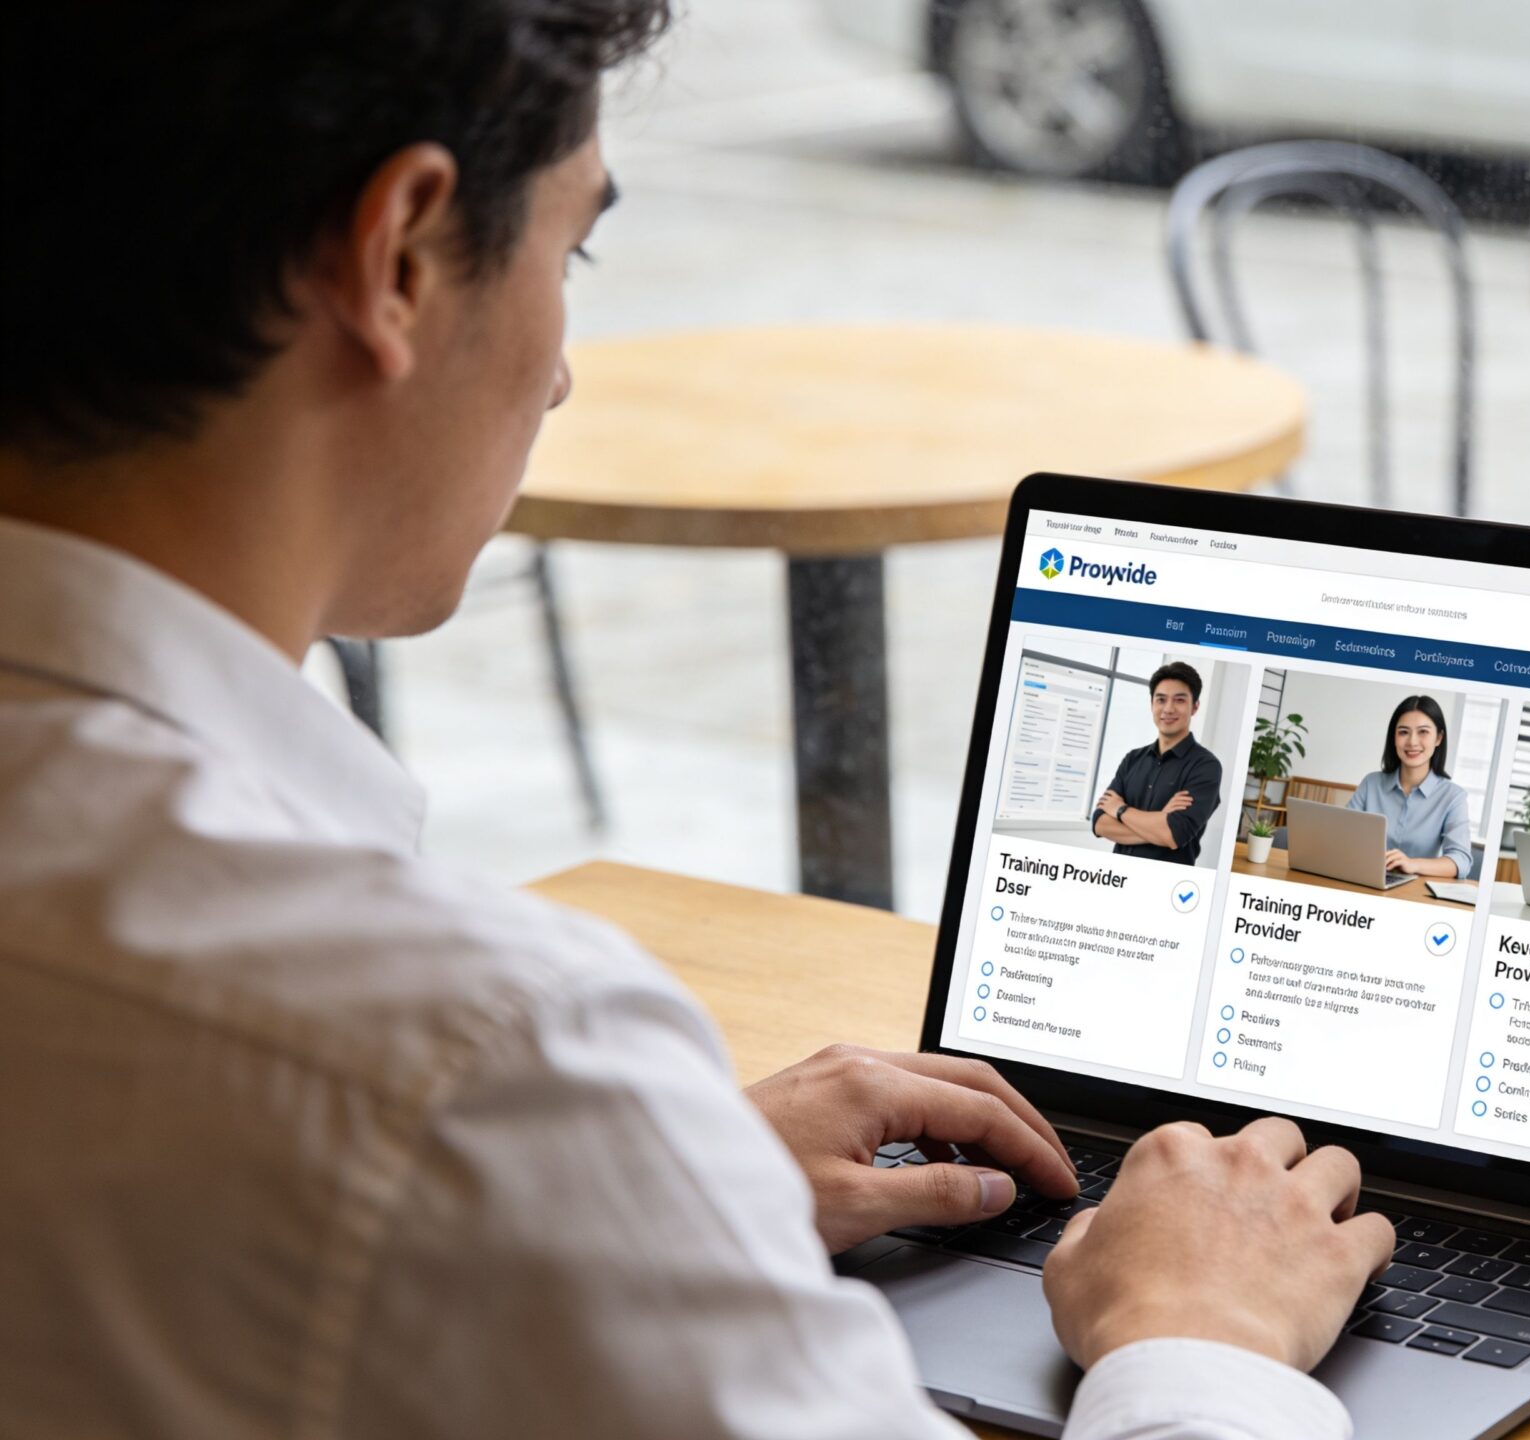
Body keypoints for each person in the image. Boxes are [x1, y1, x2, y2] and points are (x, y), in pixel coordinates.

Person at [0, 6, 1389, 1437]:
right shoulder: (461, 1066)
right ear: (400, 258)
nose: (559, 371)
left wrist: (637, 1199)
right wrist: (1201, 1336)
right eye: (571, 252)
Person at [1092, 661, 1224, 867]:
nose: (1168, 709)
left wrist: (1120, 810)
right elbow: (1100, 823)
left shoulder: (1206, 766)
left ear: (1195, 707)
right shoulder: (1132, 759)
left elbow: (1172, 835)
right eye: (1161, 699)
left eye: (1179, 700)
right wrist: (1159, 822)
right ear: (1152, 704)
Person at [1346, 695, 1474, 880]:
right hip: (1364, 880)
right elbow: (1343, 835)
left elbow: (1461, 861)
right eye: (1404, 732)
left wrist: (1413, 864)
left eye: (1423, 732)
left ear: (1438, 738)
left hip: (1416, 890)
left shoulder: (1453, 797)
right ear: (1394, 738)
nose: (1412, 742)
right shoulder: (1371, 783)